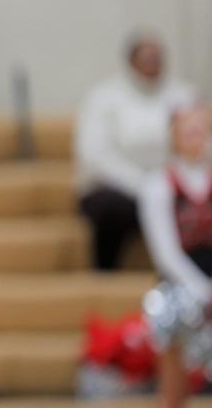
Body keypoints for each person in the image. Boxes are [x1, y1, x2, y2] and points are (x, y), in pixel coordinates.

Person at [140, 104, 212, 408]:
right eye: (188, 129)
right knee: (173, 395)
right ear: (173, 136)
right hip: (178, 292)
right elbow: (166, 253)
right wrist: (201, 291)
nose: (196, 135)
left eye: (202, 127)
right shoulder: (158, 185)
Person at [76, 33, 197, 270]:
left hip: (172, 186)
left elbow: (195, 142)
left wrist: (167, 183)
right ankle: (105, 274)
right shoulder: (104, 97)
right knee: (111, 208)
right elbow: (95, 154)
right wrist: (143, 184)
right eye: (147, 58)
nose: (153, 63)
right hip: (119, 189)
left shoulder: (184, 95)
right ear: (131, 61)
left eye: (157, 58)